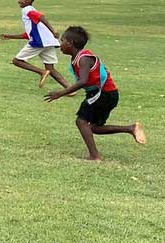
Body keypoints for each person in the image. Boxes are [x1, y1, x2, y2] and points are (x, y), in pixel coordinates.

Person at [45, 26, 147, 161]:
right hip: (105, 94)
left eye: (62, 40)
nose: (60, 44)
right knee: (94, 128)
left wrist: (60, 93)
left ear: (70, 43)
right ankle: (130, 128)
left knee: (81, 121)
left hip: (103, 94)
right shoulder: (78, 57)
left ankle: (94, 156)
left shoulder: (84, 58)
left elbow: (82, 81)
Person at [0, 0, 67, 89]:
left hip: (39, 42)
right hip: (49, 42)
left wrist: (53, 30)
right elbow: (28, 34)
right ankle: (70, 89)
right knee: (51, 69)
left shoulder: (27, 10)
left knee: (17, 61)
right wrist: (10, 36)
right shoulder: (30, 10)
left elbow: (41, 17)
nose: (19, 1)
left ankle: (41, 72)